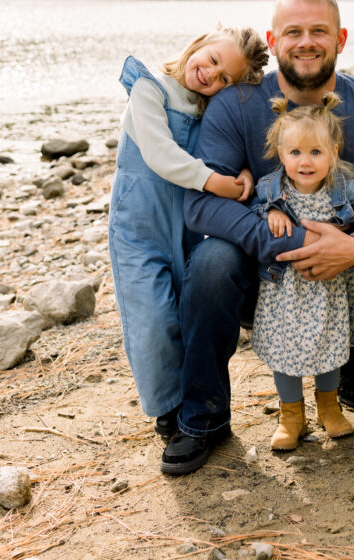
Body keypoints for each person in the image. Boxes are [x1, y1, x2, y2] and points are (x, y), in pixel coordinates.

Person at [161, 0, 354, 476]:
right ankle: (203, 419)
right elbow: (203, 206)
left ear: (340, 39)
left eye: (319, 31)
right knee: (210, 263)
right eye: (293, 31)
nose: (306, 41)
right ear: (274, 41)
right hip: (264, 274)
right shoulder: (236, 104)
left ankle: (345, 377)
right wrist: (296, 244)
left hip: (348, 276)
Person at [108, 26, 269, 438]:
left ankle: (191, 404)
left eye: (224, 80)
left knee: (184, 314)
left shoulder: (210, 109)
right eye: (212, 60)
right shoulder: (150, 89)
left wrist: (245, 171)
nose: (210, 77)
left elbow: (231, 150)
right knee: (152, 319)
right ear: (198, 44)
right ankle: (166, 407)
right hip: (139, 226)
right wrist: (214, 182)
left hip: (186, 228)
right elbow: (161, 154)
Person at [252, 93, 354, 450]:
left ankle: (328, 407)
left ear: (334, 151)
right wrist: (271, 212)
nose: (305, 161)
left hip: (332, 287)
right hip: (285, 289)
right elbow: (255, 206)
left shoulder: (348, 185)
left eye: (315, 152)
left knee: (329, 346)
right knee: (284, 351)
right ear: (281, 153)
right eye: (295, 153)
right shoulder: (272, 188)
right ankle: (291, 417)